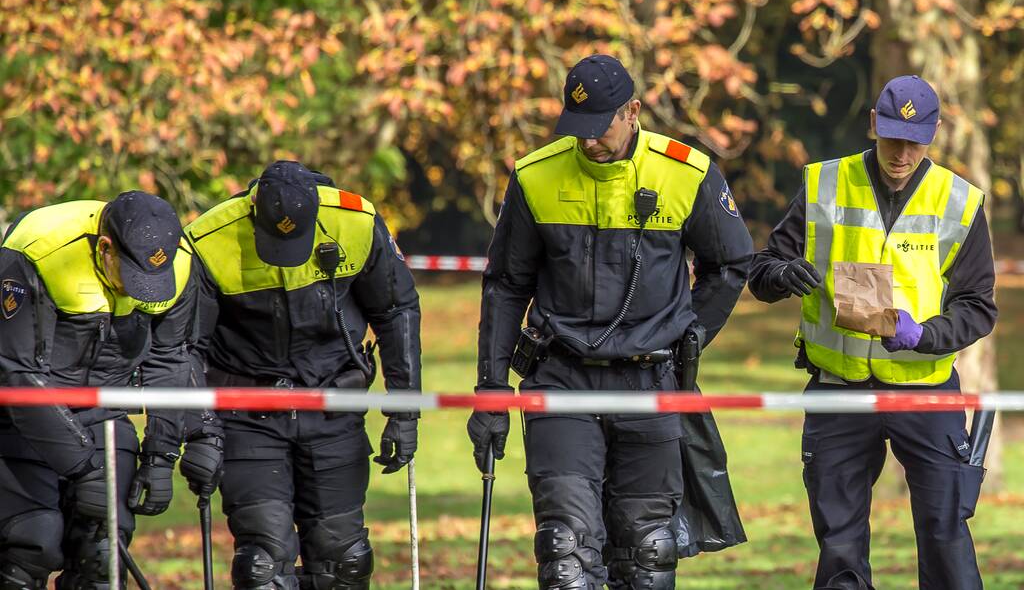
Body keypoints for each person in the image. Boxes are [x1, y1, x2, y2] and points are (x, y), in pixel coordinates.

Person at [467, 54, 753, 589]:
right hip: (560, 380)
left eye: (599, 129)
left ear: (633, 112)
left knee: (646, 554)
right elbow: (506, 285)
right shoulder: (535, 177)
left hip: (650, 383)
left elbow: (731, 263)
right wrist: (490, 389)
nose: (589, 142)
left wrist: (692, 336)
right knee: (567, 554)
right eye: (578, 130)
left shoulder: (685, 173)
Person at [748, 75, 997, 590]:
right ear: (872, 127)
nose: (901, 153)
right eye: (890, 138)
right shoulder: (824, 184)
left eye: (914, 141)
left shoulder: (960, 202)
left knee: (945, 533)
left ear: (934, 134)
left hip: (924, 394)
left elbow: (978, 308)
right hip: (839, 390)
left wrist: (924, 335)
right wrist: (781, 275)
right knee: (838, 542)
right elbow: (762, 270)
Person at [186, 160, 421, 590]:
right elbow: (186, 348)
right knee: (262, 564)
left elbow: (396, 310)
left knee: (344, 562)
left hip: (334, 410)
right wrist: (200, 433)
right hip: (248, 415)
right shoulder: (207, 239)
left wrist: (405, 411)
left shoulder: (356, 221)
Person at [0, 191, 219, 589]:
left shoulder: (180, 262)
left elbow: (171, 359)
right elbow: (15, 372)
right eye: (134, 278)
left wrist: (160, 455)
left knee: (101, 557)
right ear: (105, 249)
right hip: (19, 420)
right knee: (30, 545)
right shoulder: (38, 251)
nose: (141, 293)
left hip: (105, 415)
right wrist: (82, 465)